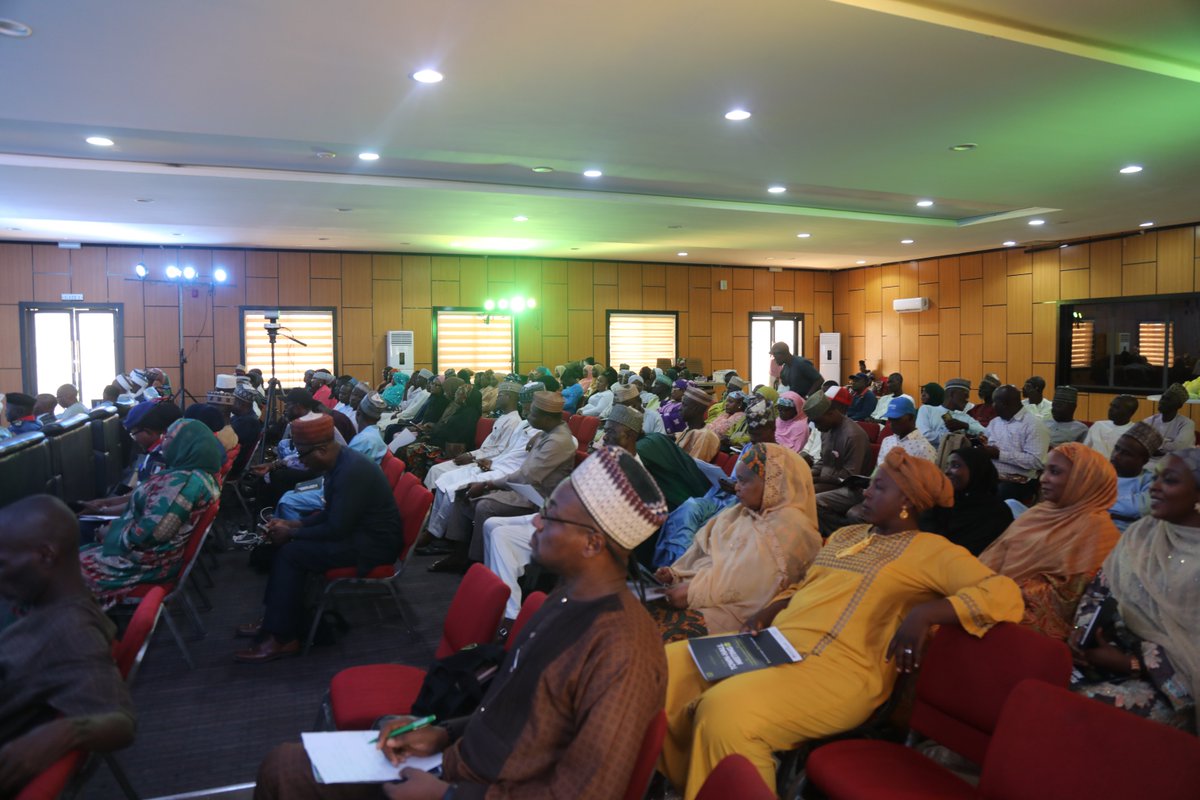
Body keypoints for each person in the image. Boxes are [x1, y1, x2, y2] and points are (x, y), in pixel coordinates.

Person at [254, 447, 670, 800]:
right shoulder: (563, 600)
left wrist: (447, 795)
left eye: (551, 514)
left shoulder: (622, 648)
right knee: (283, 765)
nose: (537, 523)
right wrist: (439, 732)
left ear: (593, 542)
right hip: (456, 764)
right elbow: (511, 710)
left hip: (476, 789)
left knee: (285, 772)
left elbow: (585, 793)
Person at [659, 448, 1024, 797]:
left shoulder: (933, 551)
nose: (866, 491)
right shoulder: (846, 536)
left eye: (879, 487)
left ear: (907, 502)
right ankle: (693, 781)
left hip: (839, 672)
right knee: (670, 666)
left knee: (727, 710)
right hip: (777, 644)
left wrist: (928, 612)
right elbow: (807, 584)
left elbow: (1003, 592)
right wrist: (772, 608)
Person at [235, 412, 401, 662]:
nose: (301, 462)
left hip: (373, 546)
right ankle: (276, 619)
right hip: (358, 534)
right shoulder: (341, 463)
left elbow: (337, 528)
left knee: (292, 553)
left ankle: (282, 636)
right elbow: (330, 514)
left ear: (321, 450)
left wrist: (292, 532)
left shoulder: (351, 471)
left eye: (302, 455)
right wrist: (295, 523)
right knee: (292, 548)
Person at [0, 496, 136, 796]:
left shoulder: (70, 631)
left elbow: (120, 722)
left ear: (46, 556)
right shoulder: (37, 603)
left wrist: (69, 731)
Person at [1068, 450, 1200, 732]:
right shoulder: (1142, 533)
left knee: (1077, 707)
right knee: (1040, 674)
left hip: (1176, 685)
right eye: (1156, 478)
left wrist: (1133, 664)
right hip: (1108, 650)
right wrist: (1082, 631)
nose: (1154, 487)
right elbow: (1099, 589)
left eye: (1170, 481)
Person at [650, 444, 821, 641]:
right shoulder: (739, 513)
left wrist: (692, 592)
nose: (736, 487)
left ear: (772, 484)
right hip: (697, 592)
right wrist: (675, 575)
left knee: (651, 636)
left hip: (737, 613)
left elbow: (750, 585)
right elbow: (705, 553)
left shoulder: (792, 528)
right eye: (736, 480)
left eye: (743, 481)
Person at [979, 442, 1119, 640]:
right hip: (989, 597)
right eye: (1044, 470)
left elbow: (1065, 600)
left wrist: (990, 598)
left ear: (1083, 479)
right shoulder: (1039, 512)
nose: (1043, 479)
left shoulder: (1097, 530)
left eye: (1055, 472)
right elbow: (995, 556)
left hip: (1023, 622)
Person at [79, 418, 222, 606]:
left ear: (184, 444)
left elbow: (153, 534)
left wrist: (109, 532)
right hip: (156, 557)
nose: (163, 441)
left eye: (168, 436)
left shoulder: (180, 485)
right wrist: (108, 506)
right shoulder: (196, 475)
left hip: (146, 565)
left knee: (60, 574)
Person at [434, 391, 575, 572]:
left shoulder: (558, 440)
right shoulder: (550, 431)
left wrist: (488, 484)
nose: (527, 415)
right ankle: (458, 553)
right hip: (523, 488)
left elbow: (526, 477)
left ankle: (477, 561)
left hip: (538, 498)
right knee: (463, 492)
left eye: (532, 413)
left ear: (546, 419)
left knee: (484, 506)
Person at [423, 381, 524, 491]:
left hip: (486, 463)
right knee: (435, 470)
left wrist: (472, 456)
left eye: (499, 395)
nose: (496, 399)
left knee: (441, 474)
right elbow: (488, 447)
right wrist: (470, 454)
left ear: (508, 397)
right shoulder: (504, 417)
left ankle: (429, 501)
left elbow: (500, 451)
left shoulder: (514, 421)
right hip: (478, 457)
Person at [919, 446, 1013, 555]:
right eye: (947, 466)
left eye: (956, 465)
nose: (947, 471)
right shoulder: (943, 502)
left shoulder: (996, 513)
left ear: (976, 470)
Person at [981, 384, 1050, 504]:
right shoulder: (995, 422)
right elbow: (985, 442)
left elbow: (1036, 461)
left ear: (1005, 404)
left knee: (999, 492)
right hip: (992, 475)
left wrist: (1000, 455)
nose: (992, 406)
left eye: (994, 402)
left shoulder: (1034, 425)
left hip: (1020, 481)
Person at [803, 389, 871, 493]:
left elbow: (849, 478)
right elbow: (825, 460)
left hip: (853, 489)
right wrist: (809, 473)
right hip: (830, 482)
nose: (816, 427)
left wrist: (818, 478)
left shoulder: (853, 435)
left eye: (818, 422)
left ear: (831, 414)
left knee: (809, 497)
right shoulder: (826, 430)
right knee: (798, 487)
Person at [1108, 422, 1160, 533]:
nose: (1116, 456)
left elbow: (1138, 508)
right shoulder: (1099, 472)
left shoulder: (1152, 481)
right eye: (1116, 448)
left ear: (1144, 460)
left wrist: (1095, 499)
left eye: (1126, 453)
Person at [1146, 383, 1195, 461]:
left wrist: (1154, 446)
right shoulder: (1150, 420)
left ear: (1179, 405)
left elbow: (1180, 447)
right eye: (1163, 398)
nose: (1162, 401)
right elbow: (1140, 442)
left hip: (1175, 464)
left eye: (1168, 399)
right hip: (1149, 462)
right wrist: (1166, 444)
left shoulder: (1186, 424)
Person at [1083, 394, 1139, 459]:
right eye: (1111, 406)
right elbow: (1084, 449)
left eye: (1116, 407)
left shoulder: (1135, 433)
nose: (1110, 409)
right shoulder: (1098, 425)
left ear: (1130, 412)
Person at [675, 386, 721, 462]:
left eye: (684, 405)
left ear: (696, 409)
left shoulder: (705, 436)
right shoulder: (689, 428)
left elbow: (693, 466)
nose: (680, 408)